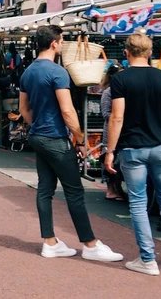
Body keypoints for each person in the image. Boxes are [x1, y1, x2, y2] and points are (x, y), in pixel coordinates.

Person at [20, 26, 123, 262]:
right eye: (62, 40)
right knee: (74, 191)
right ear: (55, 43)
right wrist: (80, 138)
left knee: (45, 189)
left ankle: (50, 242)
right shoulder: (58, 72)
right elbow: (67, 110)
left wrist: (38, 125)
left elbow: (24, 108)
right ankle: (89, 244)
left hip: (38, 136)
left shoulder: (28, 73)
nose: (63, 44)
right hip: (56, 137)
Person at [104, 32, 161, 276]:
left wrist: (110, 151)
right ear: (150, 53)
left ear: (126, 53)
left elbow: (117, 116)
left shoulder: (121, 80)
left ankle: (147, 259)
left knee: (139, 203)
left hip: (133, 149)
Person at [99, 66, 126, 201]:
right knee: (109, 156)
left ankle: (118, 188)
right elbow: (106, 114)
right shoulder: (108, 92)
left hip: (123, 129)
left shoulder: (123, 90)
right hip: (111, 130)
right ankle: (110, 190)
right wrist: (118, 119)